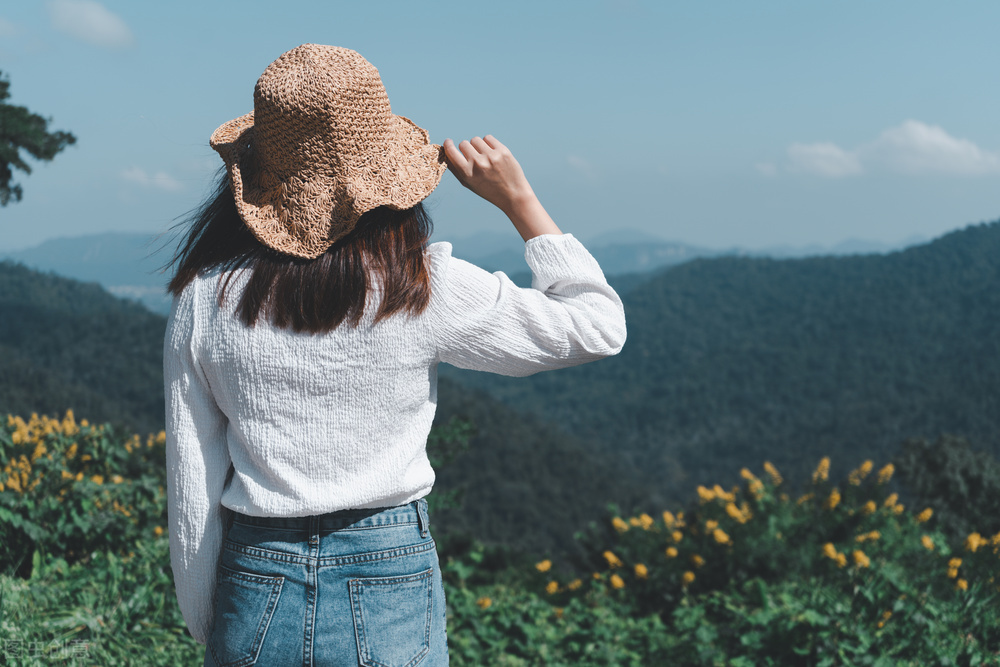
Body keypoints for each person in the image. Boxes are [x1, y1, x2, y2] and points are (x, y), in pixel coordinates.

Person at [164, 44, 626, 667]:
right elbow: (597, 328)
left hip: (254, 579)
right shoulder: (424, 287)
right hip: (388, 574)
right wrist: (520, 202)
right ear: (389, 176)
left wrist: (210, 622)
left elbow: (193, 482)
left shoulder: (206, 299)